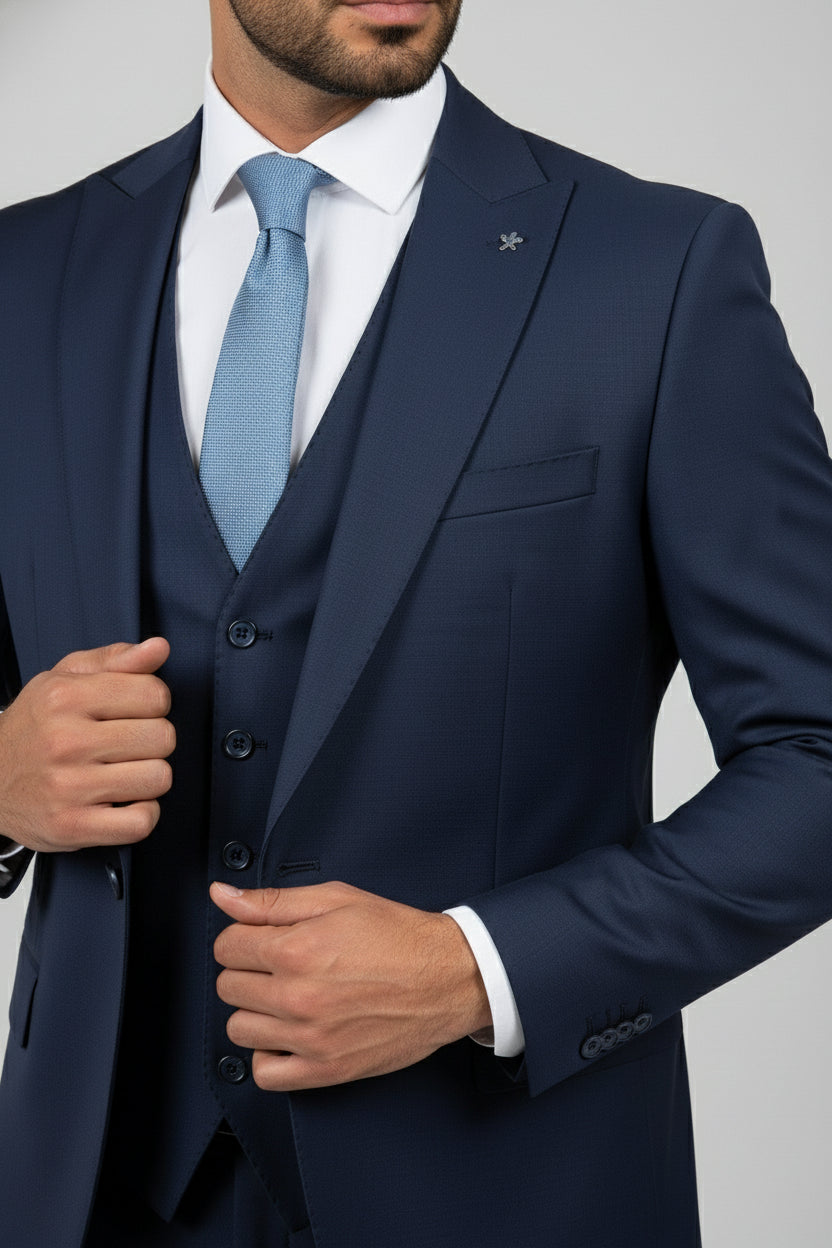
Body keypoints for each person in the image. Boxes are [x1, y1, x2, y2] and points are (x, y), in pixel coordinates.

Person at [1, 0, 831, 1244]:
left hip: (510, 1192)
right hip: (87, 1192)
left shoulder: (654, 268)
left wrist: (479, 969)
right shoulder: (24, 274)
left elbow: (816, 754)